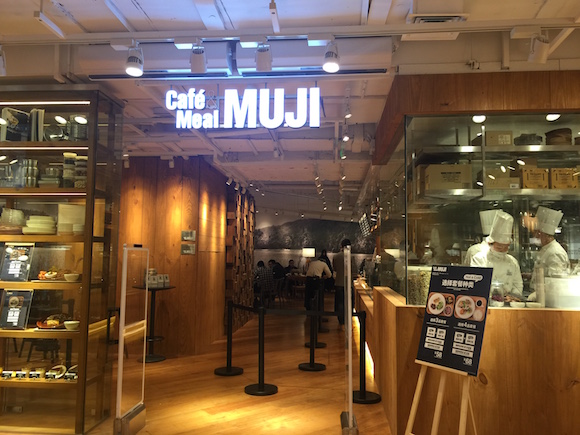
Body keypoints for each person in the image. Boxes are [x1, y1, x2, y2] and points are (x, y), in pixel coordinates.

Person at [471, 211, 523, 299]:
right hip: (486, 302)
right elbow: (476, 286)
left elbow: (518, 285)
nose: (503, 250)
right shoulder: (479, 259)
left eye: (506, 247)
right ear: (490, 243)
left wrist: (512, 297)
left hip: (508, 303)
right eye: (499, 247)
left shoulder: (513, 262)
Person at [528, 206, 570, 302]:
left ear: (547, 236)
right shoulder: (545, 249)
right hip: (541, 297)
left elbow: (556, 281)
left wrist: (537, 294)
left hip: (550, 299)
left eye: (539, 234)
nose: (536, 236)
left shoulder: (555, 253)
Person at [332, 239, 354, 326]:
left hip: (338, 282)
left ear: (341, 245)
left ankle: (340, 319)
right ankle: (347, 318)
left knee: (340, 302)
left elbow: (334, 268)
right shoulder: (351, 257)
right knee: (348, 302)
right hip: (348, 283)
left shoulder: (336, 256)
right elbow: (354, 270)